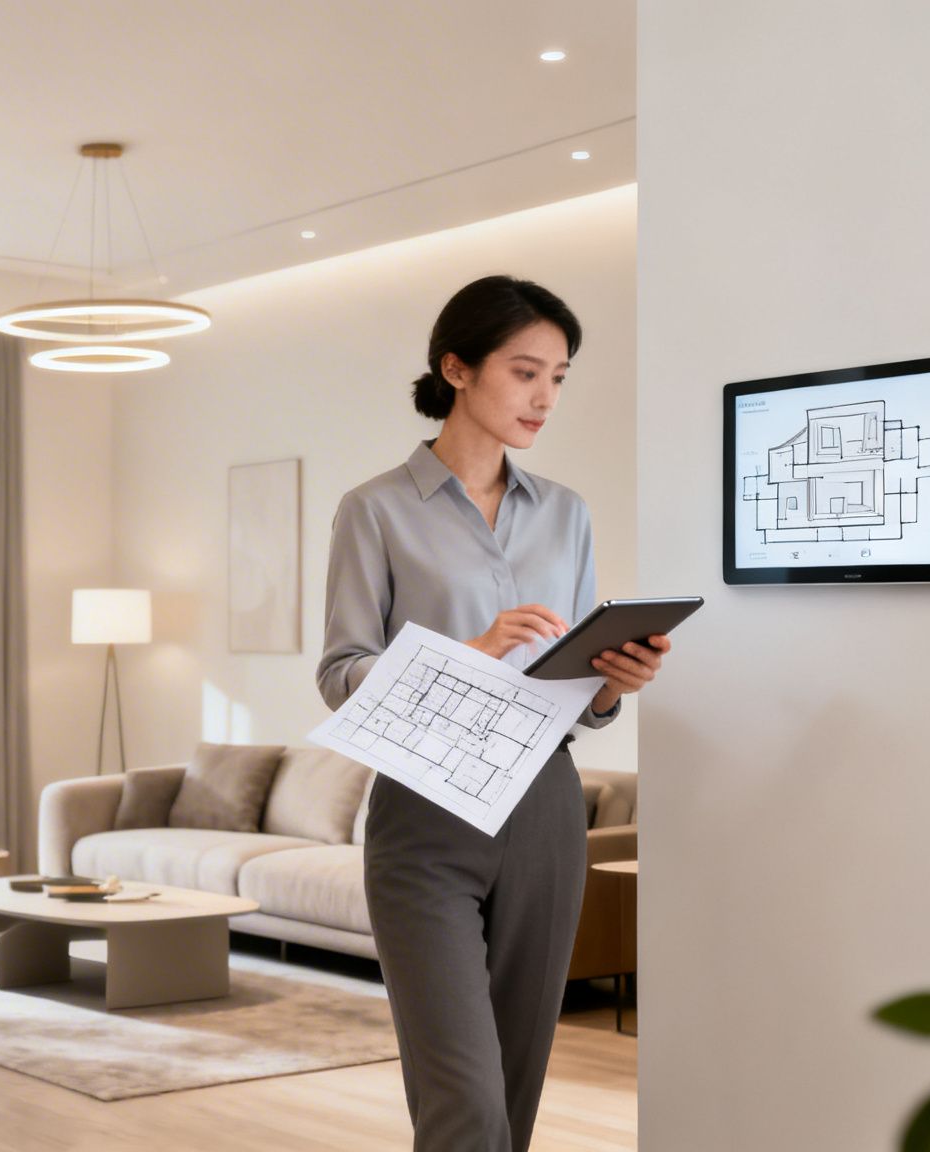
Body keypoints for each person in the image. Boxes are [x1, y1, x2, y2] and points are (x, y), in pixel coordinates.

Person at [316, 275, 668, 1151]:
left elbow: (575, 696)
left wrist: (614, 680)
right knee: (463, 1102)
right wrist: (467, 652)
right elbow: (340, 672)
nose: (545, 397)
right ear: (457, 369)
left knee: (515, 1097)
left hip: (545, 809)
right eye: (524, 372)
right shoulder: (376, 509)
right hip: (425, 817)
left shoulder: (568, 515)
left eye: (559, 376)